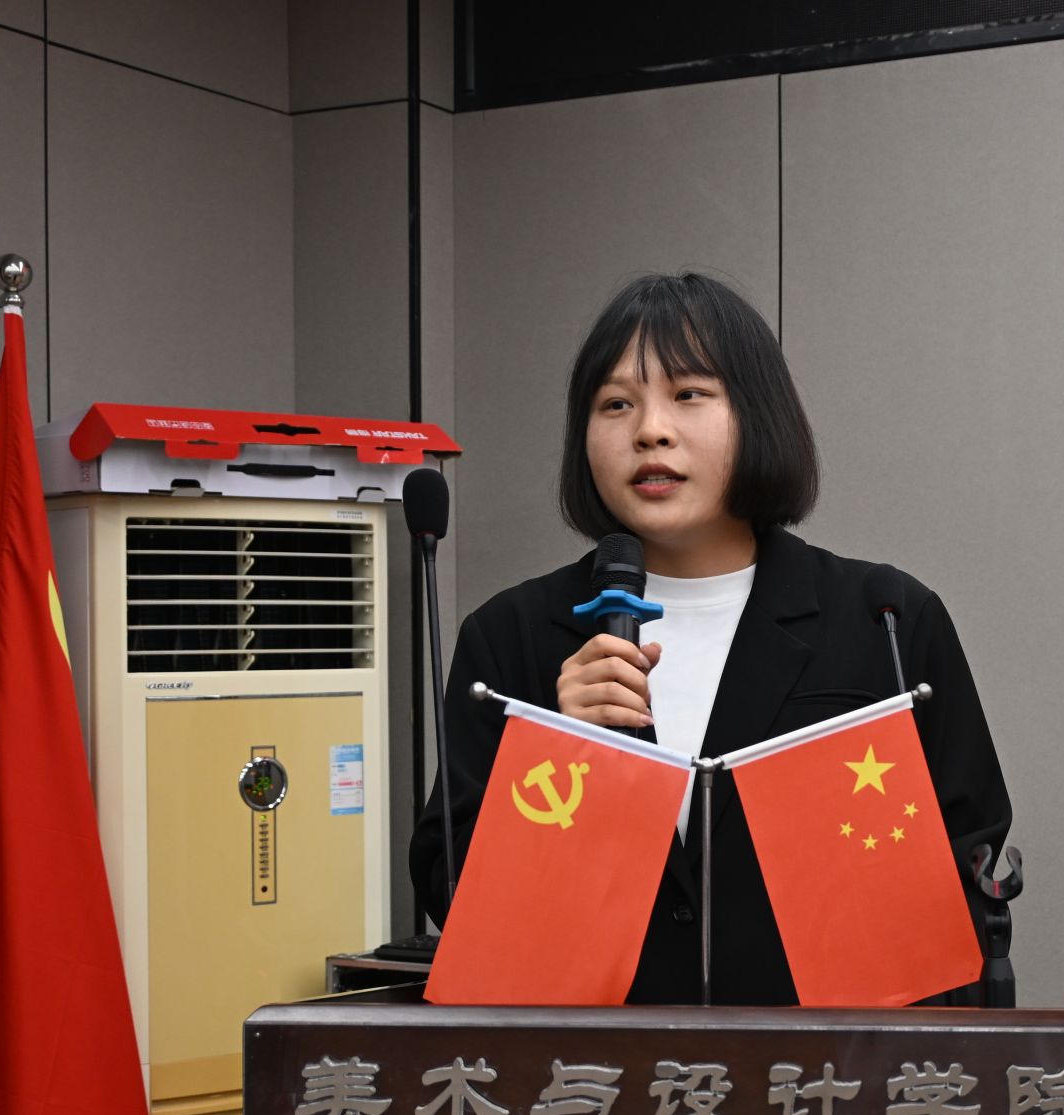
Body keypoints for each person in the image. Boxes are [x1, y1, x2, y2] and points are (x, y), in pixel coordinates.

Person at [410, 272, 1010, 1005]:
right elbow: (452, 896)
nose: (650, 430)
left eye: (689, 394)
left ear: (758, 414)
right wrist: (562, 751)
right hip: (594, 1062)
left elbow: (967, 872)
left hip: (827, 1063)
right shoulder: (512, 636)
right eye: (615, 404)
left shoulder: (885, 618)